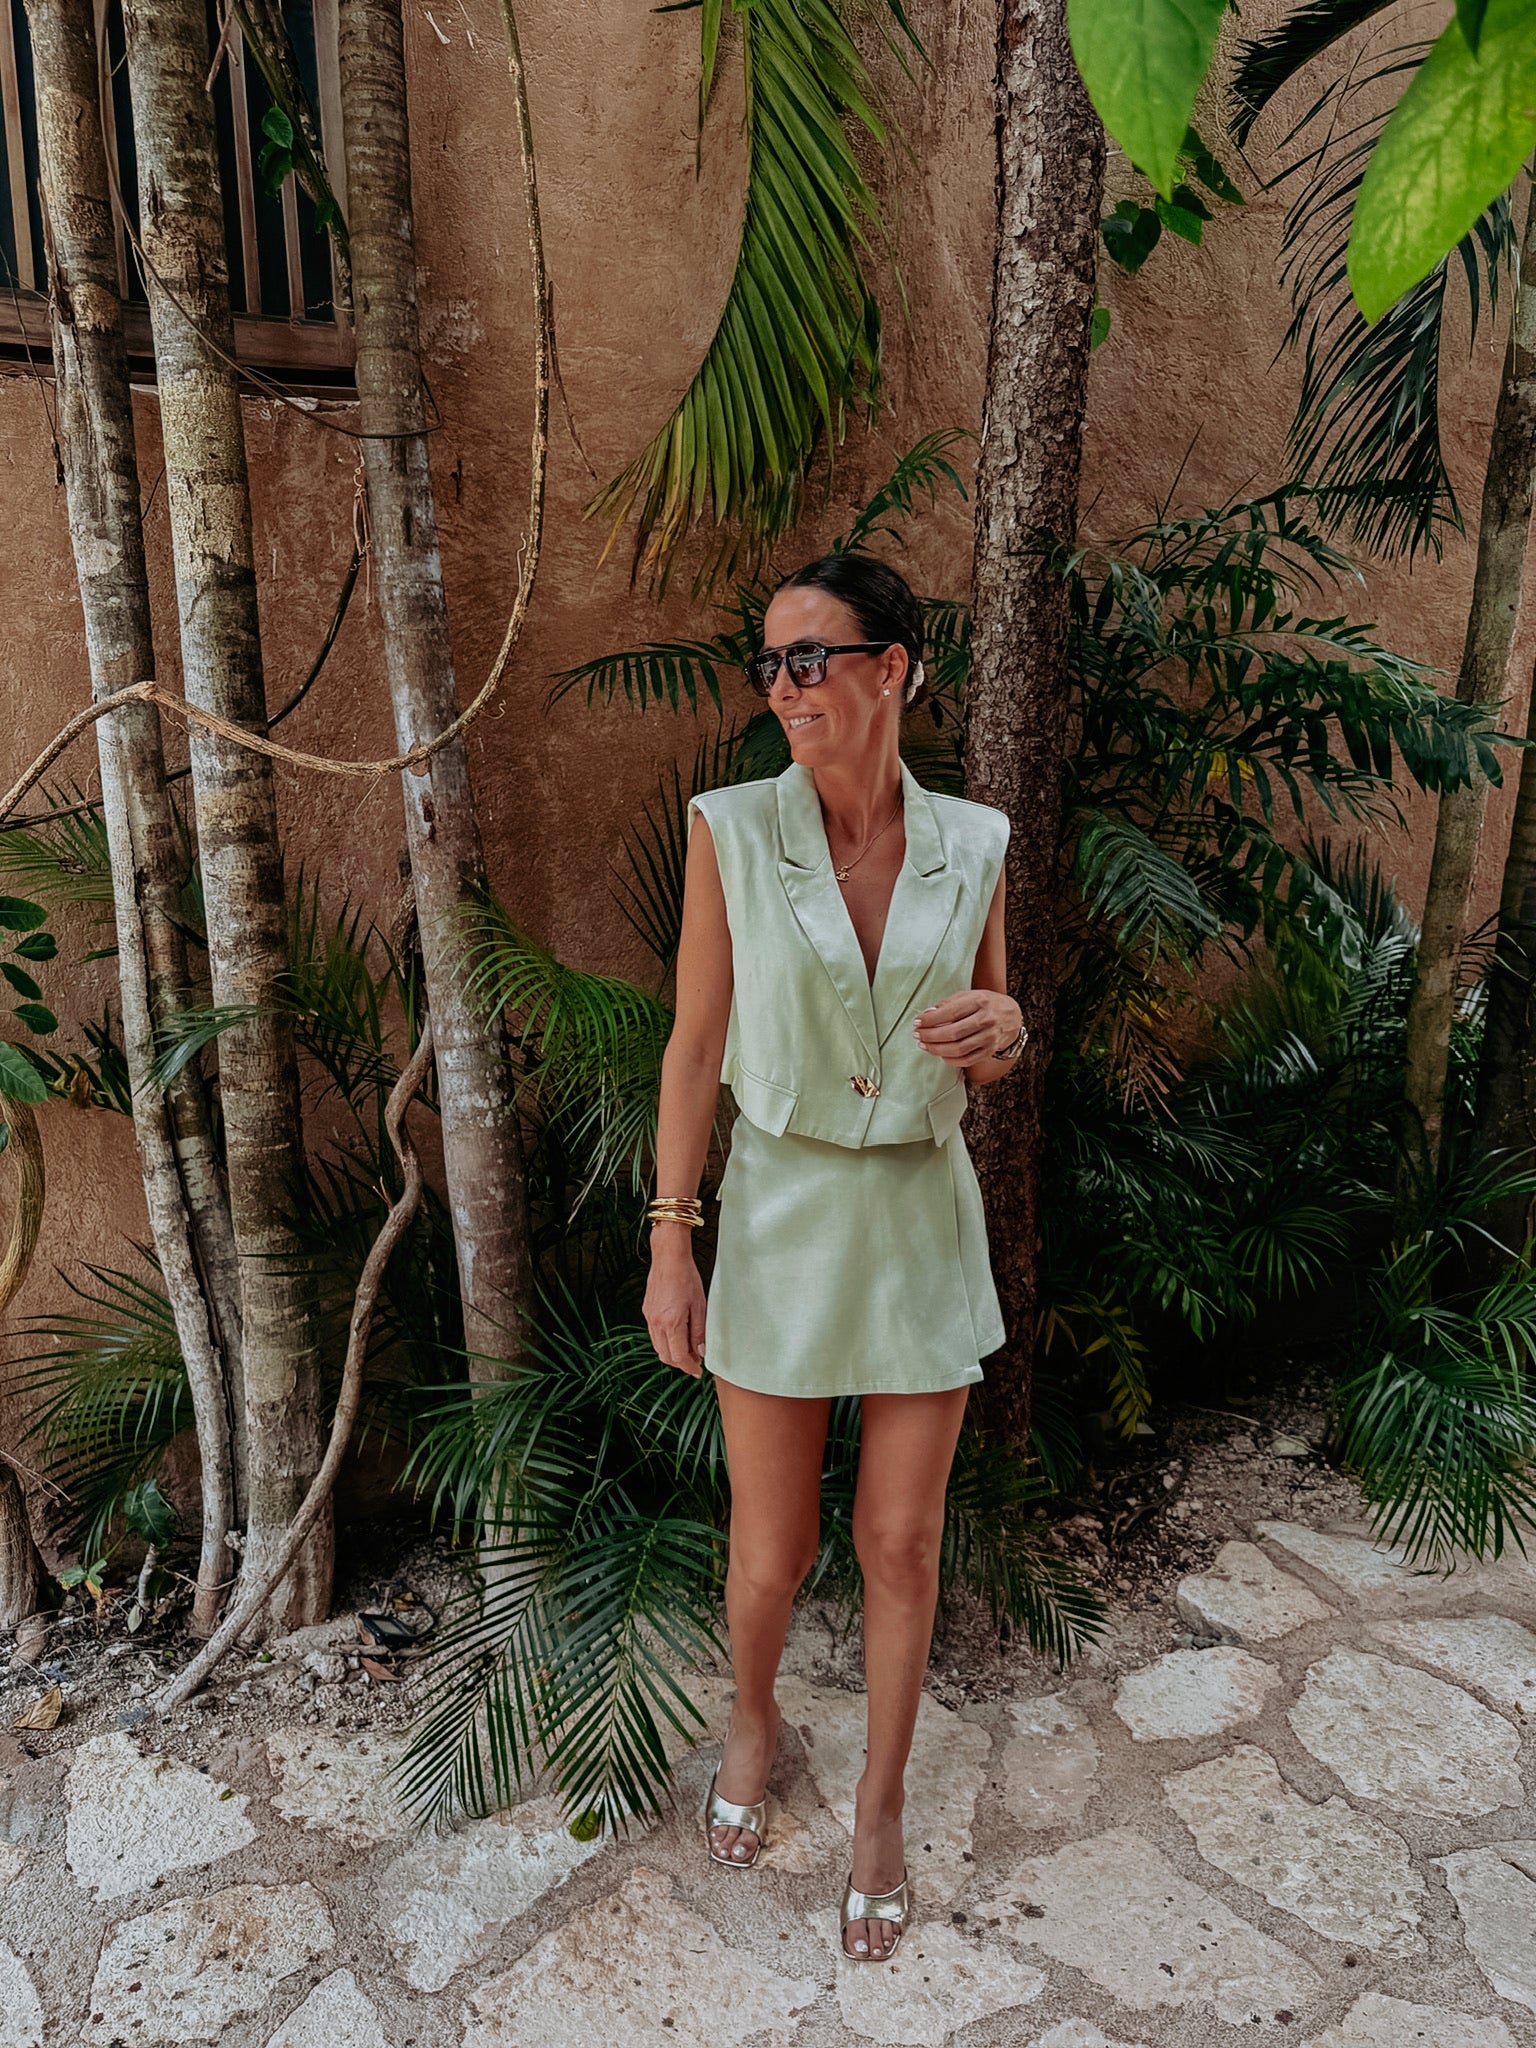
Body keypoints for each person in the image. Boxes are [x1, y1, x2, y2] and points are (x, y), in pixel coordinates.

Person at [642, 552, 1024, 1964]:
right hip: (782, 1215)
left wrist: (1011, 1034)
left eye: (812, 657)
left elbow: (991, 1028)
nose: (787, 687)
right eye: (772, 665)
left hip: (921, 1217)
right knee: (774, 1548)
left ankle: (880, 1804)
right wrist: (672, 1238)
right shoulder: (733, 831)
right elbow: (694, 1046)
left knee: (902, 1543)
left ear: (894, 666)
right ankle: (753, 1718)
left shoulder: (975, 840)